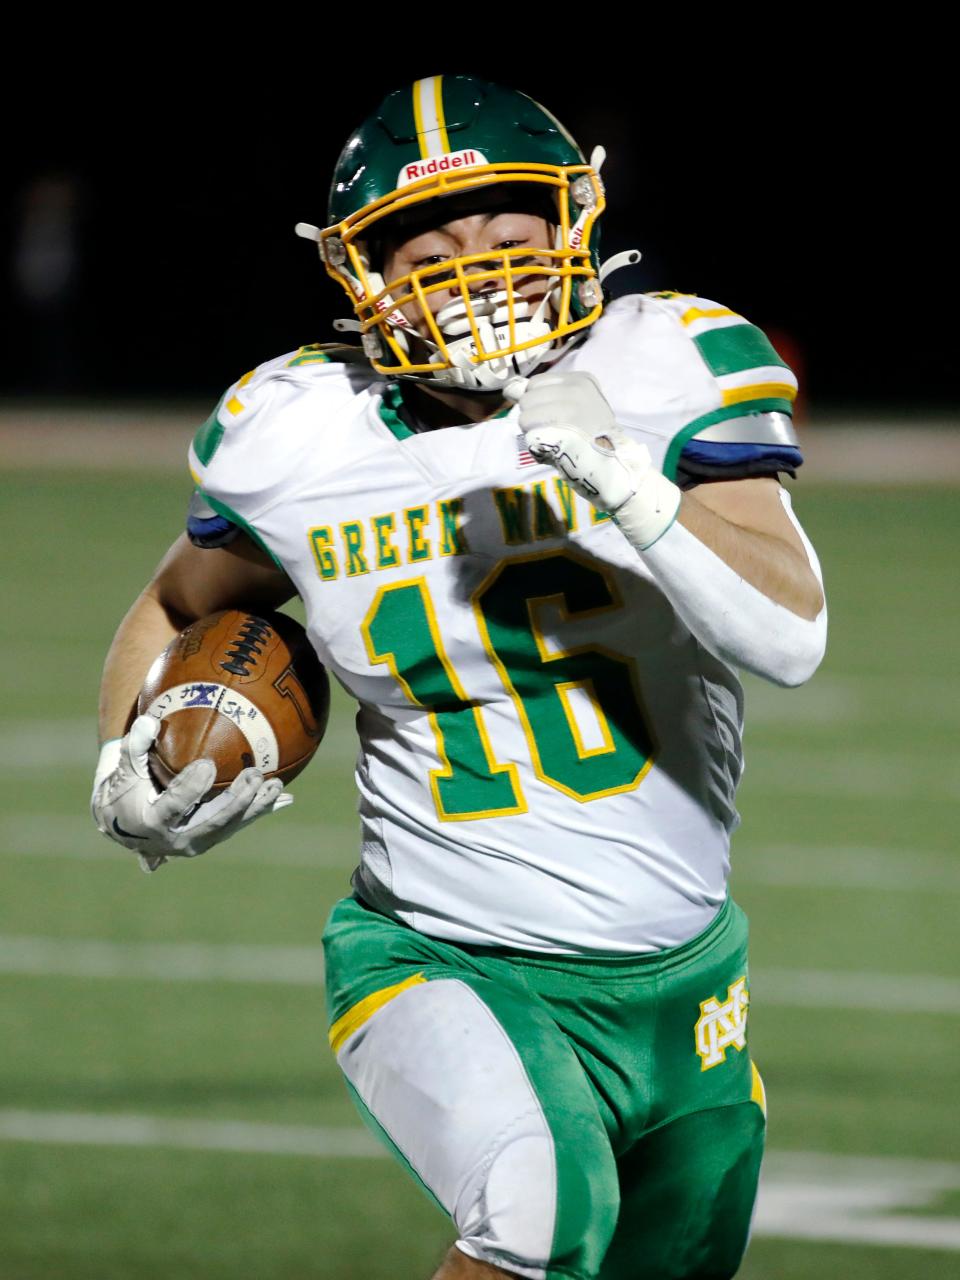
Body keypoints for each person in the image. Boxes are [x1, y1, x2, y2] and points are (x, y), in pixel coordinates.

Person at [92, 75, 826, 1280]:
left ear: (573, 221)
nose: (474, 267)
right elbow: (181, 603)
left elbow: (792, 633)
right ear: (361, 272)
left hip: (685, 979)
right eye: (426, 244)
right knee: (537, 1214)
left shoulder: (667, 362)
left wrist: (623, 479)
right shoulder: (297, 431)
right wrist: (130, 751)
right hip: (443, 952)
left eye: (504, 230)